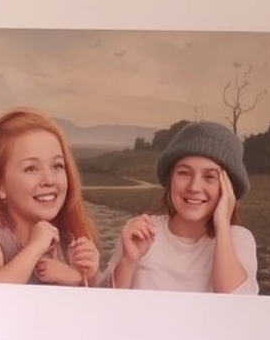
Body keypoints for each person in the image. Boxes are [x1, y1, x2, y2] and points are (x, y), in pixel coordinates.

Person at [0, 108, 100, 286]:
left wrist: (84, 275)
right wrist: (35, 247)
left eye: (57, 166)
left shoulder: (69, 237)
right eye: (31, 168)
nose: (49, 180)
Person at [106, 120, 259, 294]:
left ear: (228, 188)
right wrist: (128, 260)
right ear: (170, 179)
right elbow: (104, 308)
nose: (194, 187)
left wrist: (223, 224)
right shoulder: (141, 233)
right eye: (184, 173)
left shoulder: (239, 240)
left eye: (210, 177)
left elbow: (237, 307)